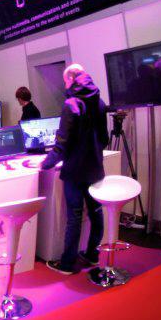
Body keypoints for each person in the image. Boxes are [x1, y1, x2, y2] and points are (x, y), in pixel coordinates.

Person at [41, 64, 109, 275]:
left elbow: (62, 144)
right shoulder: (100, 102)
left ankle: (67, 264)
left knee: (75, 216)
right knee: (96, 212)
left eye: (65, 81)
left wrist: (44, 164)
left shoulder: (71, 104)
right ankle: (92, 255)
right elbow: (104, 138)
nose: (64, 85)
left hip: (75, 172)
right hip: (95, 168)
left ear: (70, 79)